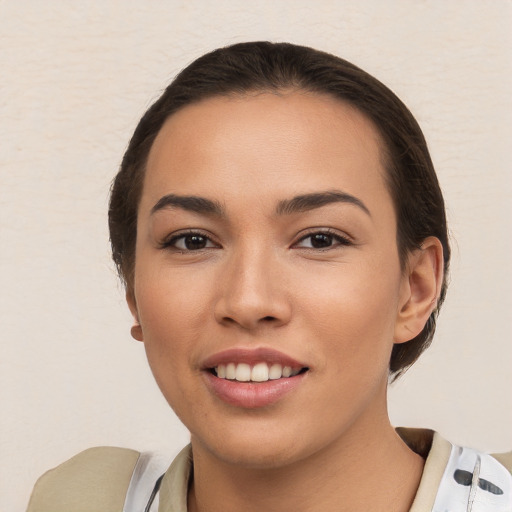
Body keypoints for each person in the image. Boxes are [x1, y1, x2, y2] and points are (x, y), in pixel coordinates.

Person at [26, 41, 511, 512]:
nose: (247, 299)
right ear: (132, 288)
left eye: (320, 239)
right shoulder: (84, 500)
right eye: (192, 241)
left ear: (415, 289)